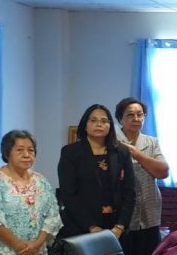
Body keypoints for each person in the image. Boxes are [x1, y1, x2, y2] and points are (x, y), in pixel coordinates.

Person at [58, 104, 136, 244]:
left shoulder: (121, 152)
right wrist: (91, 226)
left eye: (104, 121)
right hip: (80, 227)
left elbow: (129, 191)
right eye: (93, 120)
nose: (99, 124)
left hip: (116, 228)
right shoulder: (70, 152)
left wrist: (120, 226)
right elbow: (68, 193)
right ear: (85, 125)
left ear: (110, 126)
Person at [114, 97, 169, 255]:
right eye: (130, 115)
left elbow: (163, 171)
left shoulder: (151, 142)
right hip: (121, 214)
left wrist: (137, 154)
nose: (136, 119)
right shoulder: (112, 142)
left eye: (140, 114)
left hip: (148, 211)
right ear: (120, 119)